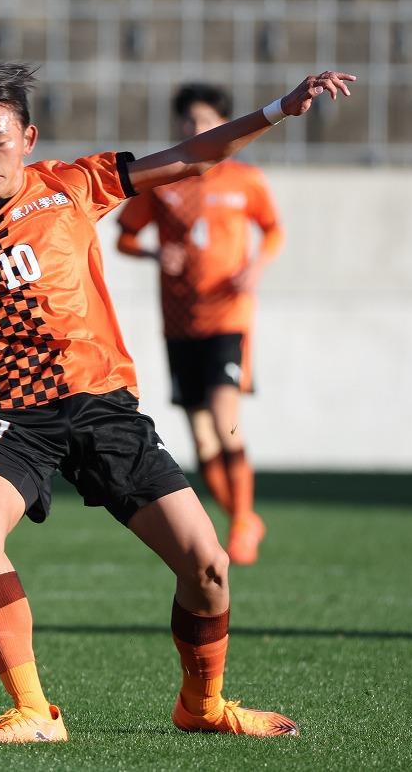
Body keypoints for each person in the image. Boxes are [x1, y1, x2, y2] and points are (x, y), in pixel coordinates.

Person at [0, 62, 353, 743]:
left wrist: (279, 109)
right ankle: (33, 710)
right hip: (11, 417)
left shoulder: (73, 183)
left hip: (103, 406)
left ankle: (203, 702)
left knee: (207, 565)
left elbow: (194, 156)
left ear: (27, 136)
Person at [116, 82, 285, 565]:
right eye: (189, 121)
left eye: (207, 122)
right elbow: (125, 237)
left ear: (223, 126)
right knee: (202, 437)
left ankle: (242, 522)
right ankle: (243, 517)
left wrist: (256, 266)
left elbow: (274, 230)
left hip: (228, 318)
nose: (197, 129)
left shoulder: (245, 180)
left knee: (224, 418)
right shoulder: (166, 181)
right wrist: (153, 251)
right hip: (180, 324)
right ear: (178, 125)